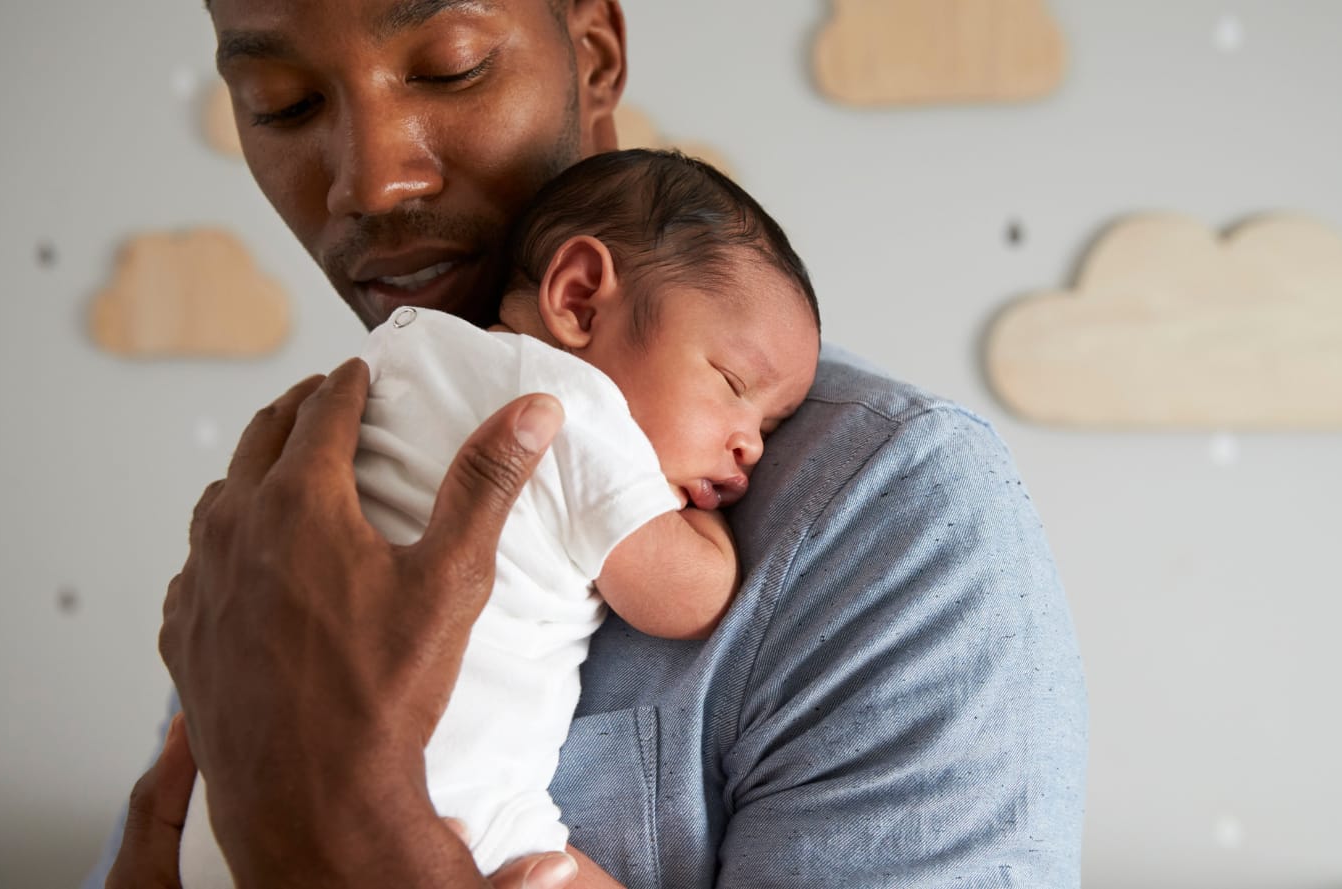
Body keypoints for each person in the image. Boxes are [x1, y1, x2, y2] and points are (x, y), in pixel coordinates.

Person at [91, 1, 1088, 887]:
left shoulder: (892, 512)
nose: (374, 181)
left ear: (594, 55)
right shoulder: (306, 484)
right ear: (575, 295)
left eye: (450, 67)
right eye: (283, 104)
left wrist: (354, 839)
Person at [175, 148, 822, 886]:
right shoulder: (573, 407)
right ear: (579, 299)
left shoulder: (404, 356)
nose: (751, 445)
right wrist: (699, 522)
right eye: (733, 383)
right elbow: (691, 599)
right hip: (440, 807)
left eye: (770, 426)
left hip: (225, 814)